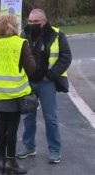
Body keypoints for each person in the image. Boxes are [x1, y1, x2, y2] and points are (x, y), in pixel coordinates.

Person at [17, 9, 72, 164]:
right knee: (28, 115)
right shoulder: (23, 34)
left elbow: (66, 57)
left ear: (44, 21)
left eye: (36, 21)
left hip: (47, 82)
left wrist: (51, 75)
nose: (32, 24)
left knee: (50, 117)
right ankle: (29, 146)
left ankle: (54, 150)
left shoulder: (57, 34)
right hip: (29, 83)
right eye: (30, 21)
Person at [0, 14, 36, 174]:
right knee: (12, 129)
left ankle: (2, 161)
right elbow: (32, 69)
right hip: (16, 93)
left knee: (1, 127)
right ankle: (11, 162)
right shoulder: (20, 43)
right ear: (14, 27)